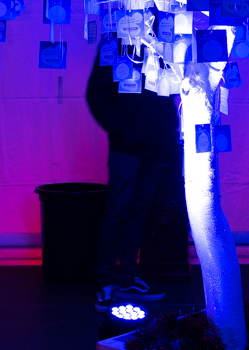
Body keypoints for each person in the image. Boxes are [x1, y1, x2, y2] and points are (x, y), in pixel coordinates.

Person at [87, 43, 178, 312]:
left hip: (154, 144)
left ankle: (127, 276)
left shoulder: (164, 38)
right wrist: (122, 128)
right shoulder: (116, 40)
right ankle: (105, 279)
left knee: (139, 211)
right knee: (118, 210)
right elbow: (96, 93)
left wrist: (167, 127)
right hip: (126, 147)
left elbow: (168, 88)